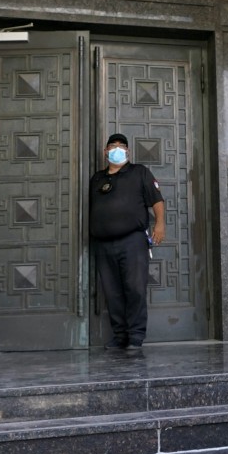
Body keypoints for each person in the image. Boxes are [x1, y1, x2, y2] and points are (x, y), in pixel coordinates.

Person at [89, 133, 165, 350]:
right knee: (112, 292)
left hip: (132, 241)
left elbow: (157, 200)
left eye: (121, 146)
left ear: (128, 151)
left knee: (135, 289)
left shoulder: (139, 172)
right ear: (105, 152)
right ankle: (120, 335)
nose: (117, 149)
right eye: (112, 146)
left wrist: (160, 225)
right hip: (103, 244)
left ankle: (135, 336)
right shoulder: (97, 179)